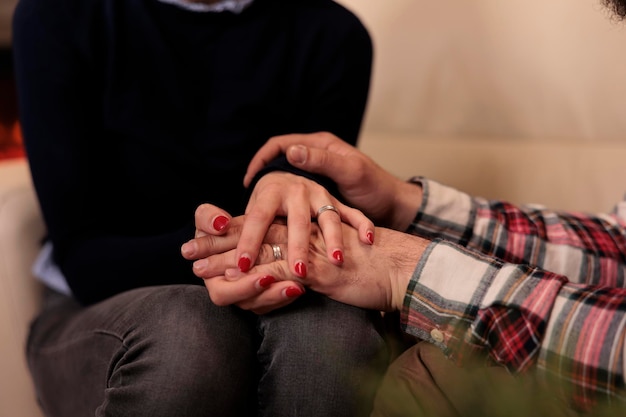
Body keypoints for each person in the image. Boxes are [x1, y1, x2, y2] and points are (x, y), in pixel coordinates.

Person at [12, 0, 389, 416]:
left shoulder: (334, 36)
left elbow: (300, 218)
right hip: (99, 298)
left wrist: (265, 245)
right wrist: (240, 249)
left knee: (332, 339)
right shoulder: (57, 15)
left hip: (282, 279)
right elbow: (85, 259)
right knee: (188, 336)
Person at [182, 131, 626, 416]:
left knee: (404, 361)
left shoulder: (331, 36)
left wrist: (404, 268)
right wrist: (402, 203)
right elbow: (616, 245)